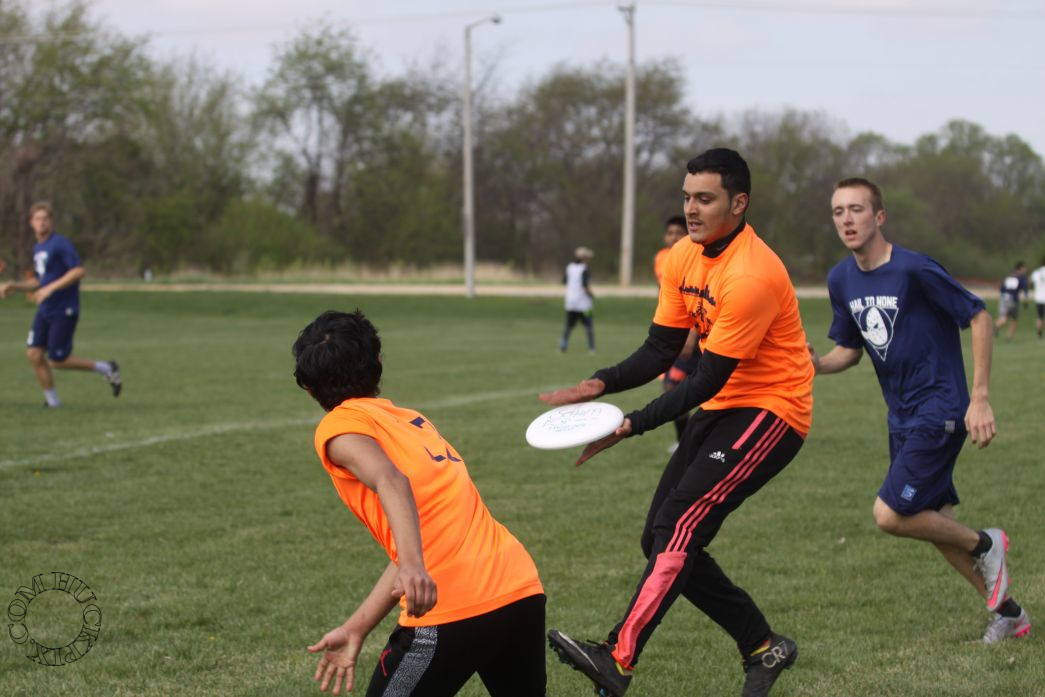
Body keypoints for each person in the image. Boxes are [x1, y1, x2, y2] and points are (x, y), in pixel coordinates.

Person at [544, 148, 812, 697]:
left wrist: (631, 423)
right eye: (687, 197)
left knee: (679, 525)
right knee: (660, 538)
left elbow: (705, 379)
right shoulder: (682, 257)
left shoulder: (752, 274)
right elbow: (660, 348)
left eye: (705, 199)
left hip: (772, 410)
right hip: (724, 407)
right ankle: (763, 645)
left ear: (738, 203)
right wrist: (600, 384)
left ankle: (618, 658)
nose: (691, 209)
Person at [809, 177, 1030, 645]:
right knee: (936, 524)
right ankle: (1009, 613)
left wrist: (980, 397)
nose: (846, 219)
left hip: (941, 408)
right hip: (901, 417)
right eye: (838, 211)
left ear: (879, 216)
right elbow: (850, 349)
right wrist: (817, 365)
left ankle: (987, 543)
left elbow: (978, 315)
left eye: (856, 209)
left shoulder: (914, 269)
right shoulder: (840, 279)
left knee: (890, 515)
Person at [294, 310, 546, 697]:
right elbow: (422, 540)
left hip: (452, 606)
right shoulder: (413, 422)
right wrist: (357, 627)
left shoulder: (338, 426)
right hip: (519, 590)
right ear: (378, 361)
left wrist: (412, 565)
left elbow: (391, 481)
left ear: (310, 389)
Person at [0, 202, 121, 407]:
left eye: (45, 218)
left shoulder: (60, 244)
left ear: (52, 221)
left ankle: (107, 368)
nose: (42, 223)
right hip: (45, 309)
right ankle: (53, 403)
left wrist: (50, 289)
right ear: (31, 222)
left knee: (57, 360)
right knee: (34, 354)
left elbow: (78, 271)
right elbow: (39, 281)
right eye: (38, 219)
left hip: (64, 308)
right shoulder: (38, 248)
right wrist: (14, 286)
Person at [655, 215, 700, 449]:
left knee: (714, 392)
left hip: (697, 335)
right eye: (670, 233)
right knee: (671, 387)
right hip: (673, 333)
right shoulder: (661, 258)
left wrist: (691, 335)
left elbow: (696, 300)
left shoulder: (696, 259)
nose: (673, 237)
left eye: (678, 233)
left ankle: (699, 441)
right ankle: (684, 441)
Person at [559, 246, 595, 354]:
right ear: (584, 258)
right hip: (585, 304)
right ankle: (591, 348)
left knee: (568, 326)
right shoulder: (584, 268)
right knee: (589, 325)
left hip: (571, 303)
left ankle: (563, 346)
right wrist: (591, 294)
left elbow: (564, 281)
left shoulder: (569, 267)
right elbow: (585, 285)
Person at [993, 261, 1029, 341]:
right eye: (1024, 268)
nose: (1026, 269)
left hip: (1003, 298)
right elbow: (1025, 290)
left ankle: (996, 326)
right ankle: (1009, 336)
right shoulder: (1021, 278)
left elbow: (1001, 289)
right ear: (1020, 268)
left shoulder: (1008, 276)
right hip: (1013, 300)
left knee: (1004, 317)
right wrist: (1026, 301)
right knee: (1014, 319)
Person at [1030, 256, 1045, 340]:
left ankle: (1039, 334)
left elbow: (1031, 283)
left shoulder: (1036, 272)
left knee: (1039, 317)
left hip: (1039, 298)